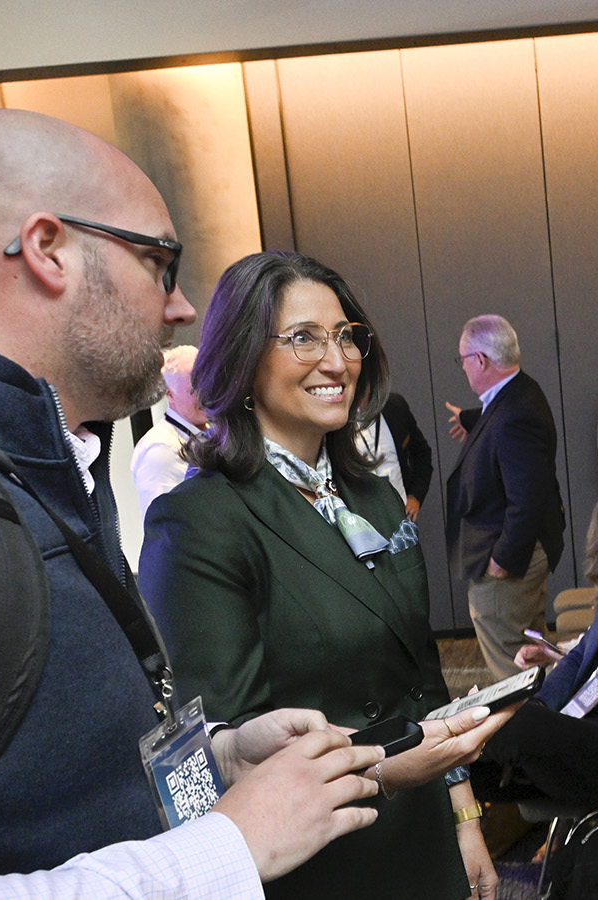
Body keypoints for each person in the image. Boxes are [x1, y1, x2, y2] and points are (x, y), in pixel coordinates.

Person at [0, 109, 413, 897]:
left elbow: (48, 772)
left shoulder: (25, 457)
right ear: (48, 251)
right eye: (158, 263)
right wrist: (230, 847)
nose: (180, 309)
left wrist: (218, 759)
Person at [138, 251, 510, 900]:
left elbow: (423, 674)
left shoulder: (372, 497)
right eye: (304, 338)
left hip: (421, 837)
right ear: (244, 358)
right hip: (319, 864)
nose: (336, 361)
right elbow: (217, 751)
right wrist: (387, 770)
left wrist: (466, 817)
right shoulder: (201, 520)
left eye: (345, 336)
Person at [475, 484, 598, 810]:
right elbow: (584, 656)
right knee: (486, 724)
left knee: (505, 724)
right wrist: (539, 704)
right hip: (591, 719)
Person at [445, 314, 567, 680]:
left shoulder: (515, 413)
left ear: (480, 360)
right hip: (525, 550)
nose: (463, 367)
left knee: (511, 666)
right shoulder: (518, 393)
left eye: (463, 359)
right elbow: (497, 418)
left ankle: (528, 733)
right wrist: (471, 419)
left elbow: (525, 498)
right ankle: (555, 726)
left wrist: (503, 560)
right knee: (532, 650)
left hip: (510, 558)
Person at [131, 343, 207, 513]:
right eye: (194, 389)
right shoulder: (161, 450)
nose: (206, 394)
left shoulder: (207, 434)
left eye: (208, 382)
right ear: (169, 394)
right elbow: (162, 529)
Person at [356, 389, 434, 520]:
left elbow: (422, 452)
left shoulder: (394, 405)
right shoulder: (336, 419)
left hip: (401, 515)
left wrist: (415, 495)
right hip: (361, 520)